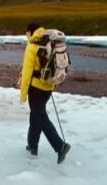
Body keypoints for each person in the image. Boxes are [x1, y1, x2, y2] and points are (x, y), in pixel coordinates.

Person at [19, 22, 71, 164]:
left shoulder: (32, 46)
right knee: (35, 115)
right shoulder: (49, 42)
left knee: (40, 116)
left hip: (35, 88)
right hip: (48, 87)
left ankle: (60, 146)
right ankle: (32, 146)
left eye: (26, 33)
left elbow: (27, 72)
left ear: (30, 32)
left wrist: (23, 94)